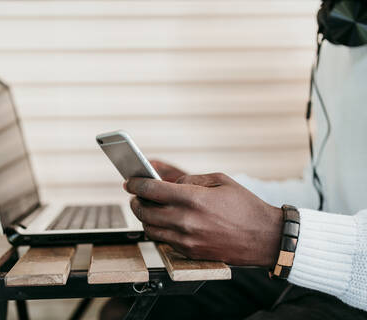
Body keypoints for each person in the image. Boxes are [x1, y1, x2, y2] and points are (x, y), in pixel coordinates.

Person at [101, 1, 367, 319]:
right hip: (326, 270)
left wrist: (276, 235)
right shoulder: (341, 35)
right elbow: (326, 194)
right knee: (132, 308)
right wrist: (208, 197)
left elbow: (285, 232)